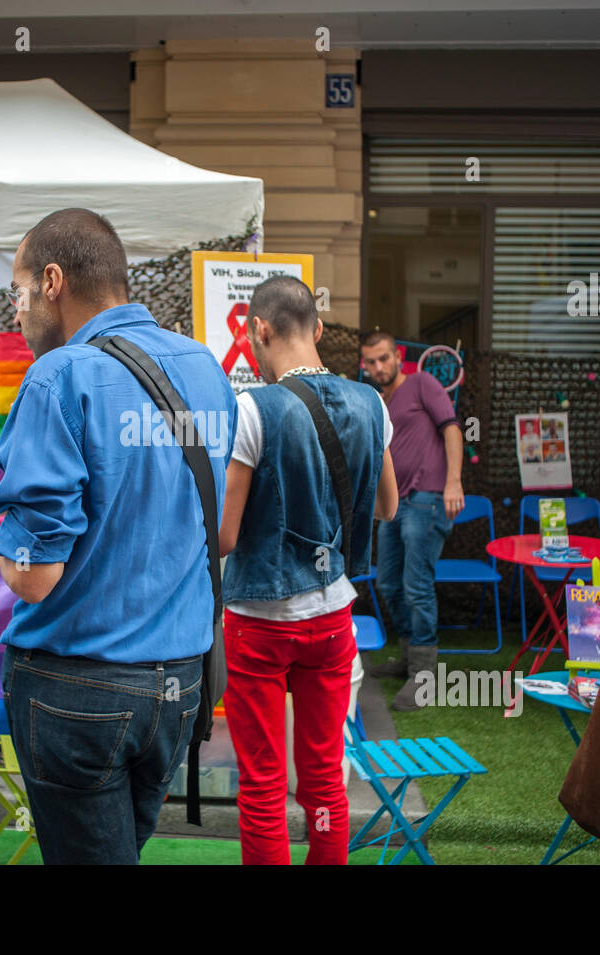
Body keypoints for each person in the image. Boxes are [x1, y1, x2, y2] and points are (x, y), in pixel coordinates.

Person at [0, 208, 236, 865]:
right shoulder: (206, 368)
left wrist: (5, 550)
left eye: (16, 292)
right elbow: (217, 526)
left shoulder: (58, 374)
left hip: (78, 687)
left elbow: (34, 573)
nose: (15, 312)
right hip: (182, 685)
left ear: (51, 281)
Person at [217, 276, 397, 865]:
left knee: (264, 786)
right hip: (333, 619)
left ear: (259, 332)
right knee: (323, 780)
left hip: (259, 625)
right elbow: (389, 507)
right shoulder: (371, 401)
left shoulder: (253, 407)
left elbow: (226, 535)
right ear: (318, 329)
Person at [359, 331, 465, 710]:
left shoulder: (422, 383)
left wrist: (453, 482)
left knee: (416, 584)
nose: (378, 367)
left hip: (428, 497)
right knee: (388, 582)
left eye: (384, 358)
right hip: (395, 503)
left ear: (398, 356)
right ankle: (408, 656)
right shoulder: (377, 401)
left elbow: (452, 428)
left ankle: (425, 675)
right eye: (371, 362)